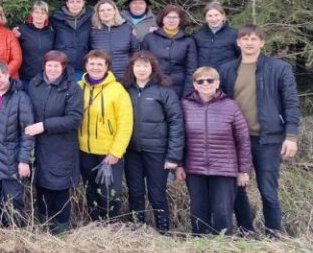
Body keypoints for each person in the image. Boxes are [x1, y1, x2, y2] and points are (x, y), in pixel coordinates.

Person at [218, 25, 300, 236]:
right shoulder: (227, 69)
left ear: (262, 42)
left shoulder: (279, 68)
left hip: (268, 139)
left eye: (254, 39)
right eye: (244, 38)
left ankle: (274, 234)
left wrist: (291, 136)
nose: (249, 42)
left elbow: (291, 102)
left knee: (268, 190)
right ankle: (247, 231)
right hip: (236, 140)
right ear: (238, 42)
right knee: (236, 189)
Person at [176, 67, 251, 235]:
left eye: (210, 80)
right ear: (194, 85)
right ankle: (200, 244)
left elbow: (243, 140)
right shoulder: (185, 106)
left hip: (224, 168)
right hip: (195, 167)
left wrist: (243, 170)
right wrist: (179, 164)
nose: (205, 84)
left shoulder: (230, 106)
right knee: (198, 209)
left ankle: (222, 246)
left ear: (217, 83)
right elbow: (178, 137)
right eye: (200, 81)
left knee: (222, 211)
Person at [121, 51, 184, 233]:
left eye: (146, 66)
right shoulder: (124, 90)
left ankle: (163, 232)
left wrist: (173, 156)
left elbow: (176, 123)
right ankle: (138, 230)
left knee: (157, 194)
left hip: (157, 151)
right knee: (135, 192)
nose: (141, 69)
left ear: (153, 68)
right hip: (132, 151)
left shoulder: (164, 91)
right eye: (138, 65)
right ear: (132, 68)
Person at [24, 51, 83, 234]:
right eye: (49, 65)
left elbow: (74, 119)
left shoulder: (72, 88)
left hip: (62, 145)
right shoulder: (35, 84)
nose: (52, 69)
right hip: (39, 145)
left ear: (63, 67)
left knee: (60, 188)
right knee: (42, 186)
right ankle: (44, 226)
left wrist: (44, 125)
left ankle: (61, 229)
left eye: (57, 66)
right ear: (44, 65)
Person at [78, 50, 133, 221]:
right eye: (92, 64)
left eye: (100, 64)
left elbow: (125, 124)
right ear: (86, 66)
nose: (95, 67)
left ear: (107, 67)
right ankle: (95, 225)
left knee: (109, 192)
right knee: (91, 190)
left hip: (108, 153)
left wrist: (116, 152)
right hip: (85, 150)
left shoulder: (117, 90)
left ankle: (111, 225)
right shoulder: (79, 87)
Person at [0, 61, 35, 226]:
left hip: (11, 158)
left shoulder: (21, 97)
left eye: (0, 76)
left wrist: (24, 160)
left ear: (8, 75)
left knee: (14, 200)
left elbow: (28, 131)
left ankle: (18, 234)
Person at [141, 4, 198, 98]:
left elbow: (191, 69)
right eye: (168, 17)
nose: (171, 20)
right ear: (162, 19)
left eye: (175, 17)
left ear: (180, 20)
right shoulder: (150, 38)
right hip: (154, 85)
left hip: (179, 88)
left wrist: (187, 93)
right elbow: (143, 64)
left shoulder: (188, 40)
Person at [89, 0, 139, 78]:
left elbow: (135, 51)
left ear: (115, 11)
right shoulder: (93, 31)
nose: (106, 13)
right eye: (102, 10)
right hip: (101, 76)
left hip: (125, 76)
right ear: (98, 13)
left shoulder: (127, 28)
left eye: (109, 9)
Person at [50, 0, 93, 81]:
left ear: (83, 3)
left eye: (78, 2)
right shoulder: (55, 19)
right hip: (61, 68)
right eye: (72, 2)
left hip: (83, 68)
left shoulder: (92, 19)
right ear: (67, 3)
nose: (75, 4)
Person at [16, 1, 56, 92]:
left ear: (46, 15)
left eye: (43, 13)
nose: (39, 15)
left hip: (45, 77)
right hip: (26, 78)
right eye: (37, 12)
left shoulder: (51, 31)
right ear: (32, 14)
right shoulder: (21, 30)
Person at [193, 1, 240, 68]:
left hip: (226, 76)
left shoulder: (234, 34)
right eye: (210, 16)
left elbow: (241, 56)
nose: (213, 19)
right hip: (205, 76)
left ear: (223, 16)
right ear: (205, 18)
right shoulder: (198, 35)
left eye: (216, 15)